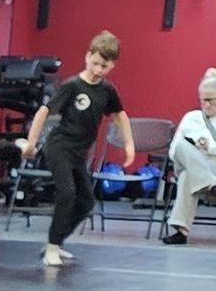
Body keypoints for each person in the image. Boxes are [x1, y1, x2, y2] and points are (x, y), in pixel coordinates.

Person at [24, 31, 134, 268]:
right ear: (87, 57)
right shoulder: (72, 86)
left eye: (104, 66)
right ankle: (52, 247)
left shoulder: (107, 90)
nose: (98, 70)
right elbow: (45, 111)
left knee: (85, 201)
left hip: (79, 153)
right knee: (67, 194)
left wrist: (129, 144)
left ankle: (58, 240)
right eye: (95, 63)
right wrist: (32, 142)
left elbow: (119, 115)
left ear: (112, 65)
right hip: (59, 147)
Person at [162, 68, 216, 245]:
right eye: (203, 101)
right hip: (188, 162)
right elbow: (174, 150)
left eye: (212, 101)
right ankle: (212, 186)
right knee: (181, 146)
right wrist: (194, 151)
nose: (207, 105)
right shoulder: (191, 117)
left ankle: (181, 230)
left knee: (187, 176)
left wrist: (211, 148)